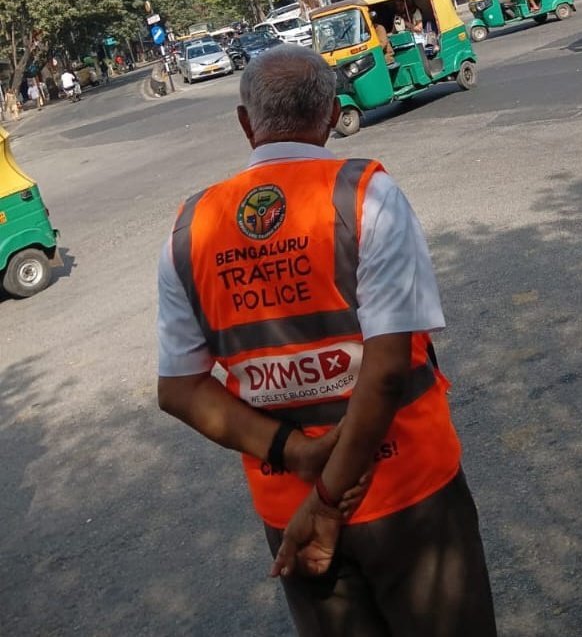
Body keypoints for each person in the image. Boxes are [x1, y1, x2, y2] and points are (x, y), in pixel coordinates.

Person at [156, 45, 497, 636]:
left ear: (245, 124)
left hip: (290, 509)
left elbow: (179, 389)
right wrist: (330, 497)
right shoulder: (363, 195)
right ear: (334, 113)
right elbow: (386, 370)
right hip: (406, 494)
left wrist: (296, 455)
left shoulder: (191, 230)